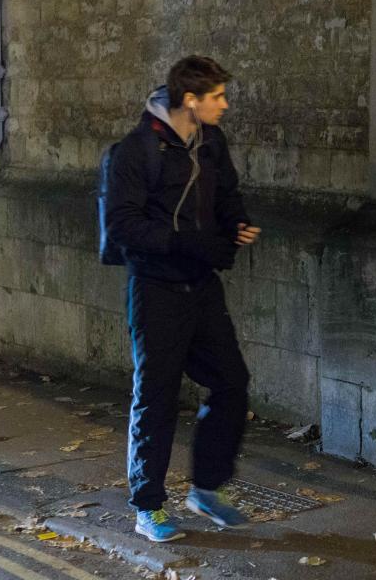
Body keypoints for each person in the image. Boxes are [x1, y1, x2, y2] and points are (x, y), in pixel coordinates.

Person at [106, 55, 261, 542]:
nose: (225, 104)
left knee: (232, 383)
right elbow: (123, 225)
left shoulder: (211, 141)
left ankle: (207, 488)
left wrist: (235, 225)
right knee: (156, 398)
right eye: (216, 96)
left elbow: (227, 193)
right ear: (190, 101)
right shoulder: (136, 151)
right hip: (156, 288)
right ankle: (147, 506)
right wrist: (187, 244)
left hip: (201, 286)